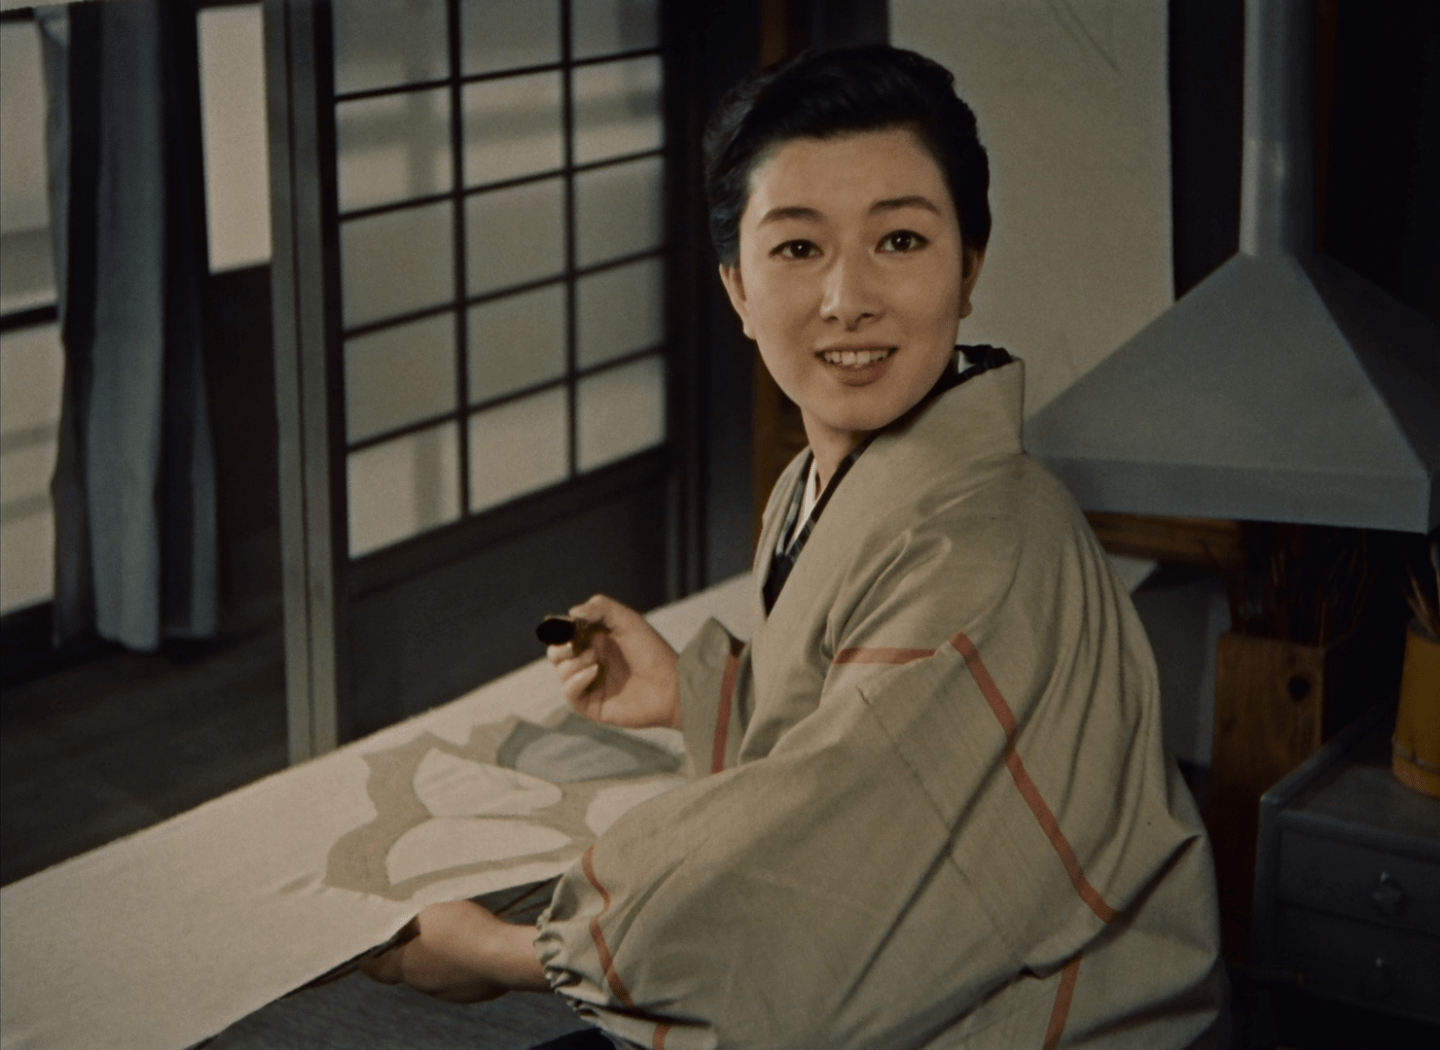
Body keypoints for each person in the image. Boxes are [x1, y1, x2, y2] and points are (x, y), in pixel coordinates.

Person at [365, 45, 1228, 1048]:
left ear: (969, 267)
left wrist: (508, 953)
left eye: (899, 240)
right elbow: (855, 738)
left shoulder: (982, 544)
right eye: (798, 248)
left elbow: (818, 866)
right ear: (738, 288)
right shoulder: (814, 483)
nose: (847, 298)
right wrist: (693, 695)